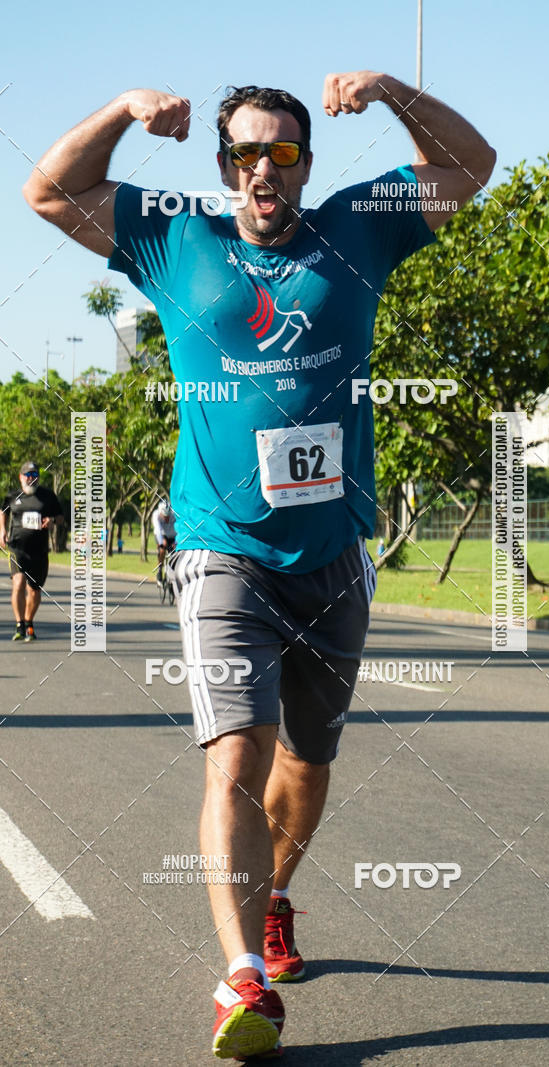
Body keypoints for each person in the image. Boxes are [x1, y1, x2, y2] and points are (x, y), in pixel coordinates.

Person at [23, 71, 495, 1059]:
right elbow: (48, 190)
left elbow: (470, 165)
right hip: (220, 550)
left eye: (283, 152)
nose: (265, 169)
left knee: (308, 762)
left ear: (306, 163)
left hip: (333, 554)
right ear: (224, 164)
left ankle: (275, 893)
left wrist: (397, 91)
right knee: (235, 752)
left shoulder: (358, 230)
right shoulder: (172, 236)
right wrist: (121, 112)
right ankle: (240, 975)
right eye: (246, 152)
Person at [0, 462, 64, 641]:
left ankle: (29, 623)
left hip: (39, 551)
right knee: (18, 583)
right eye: (27, 475)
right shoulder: (13, 496)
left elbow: (60, 517)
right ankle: (20, 625)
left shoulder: (48, 496)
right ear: (20, 477)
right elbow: (3, 511)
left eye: (34, 474)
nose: (31, 478)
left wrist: (52, 521)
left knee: (34, 591)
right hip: (17, 548)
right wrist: (2, 530)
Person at [151, 499, 176, 584]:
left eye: (168, 516)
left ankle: (173, 571)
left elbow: (180, 530)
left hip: (173, 535)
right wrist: (161, 543)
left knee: (175, 552)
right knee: (162, 550)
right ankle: (160, 570)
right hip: (161, 534)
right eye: (164, 516)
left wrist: (175, 542)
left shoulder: (174, 514)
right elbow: (158, 530)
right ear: (160, 513)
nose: (166, 518)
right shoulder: (155, 514)